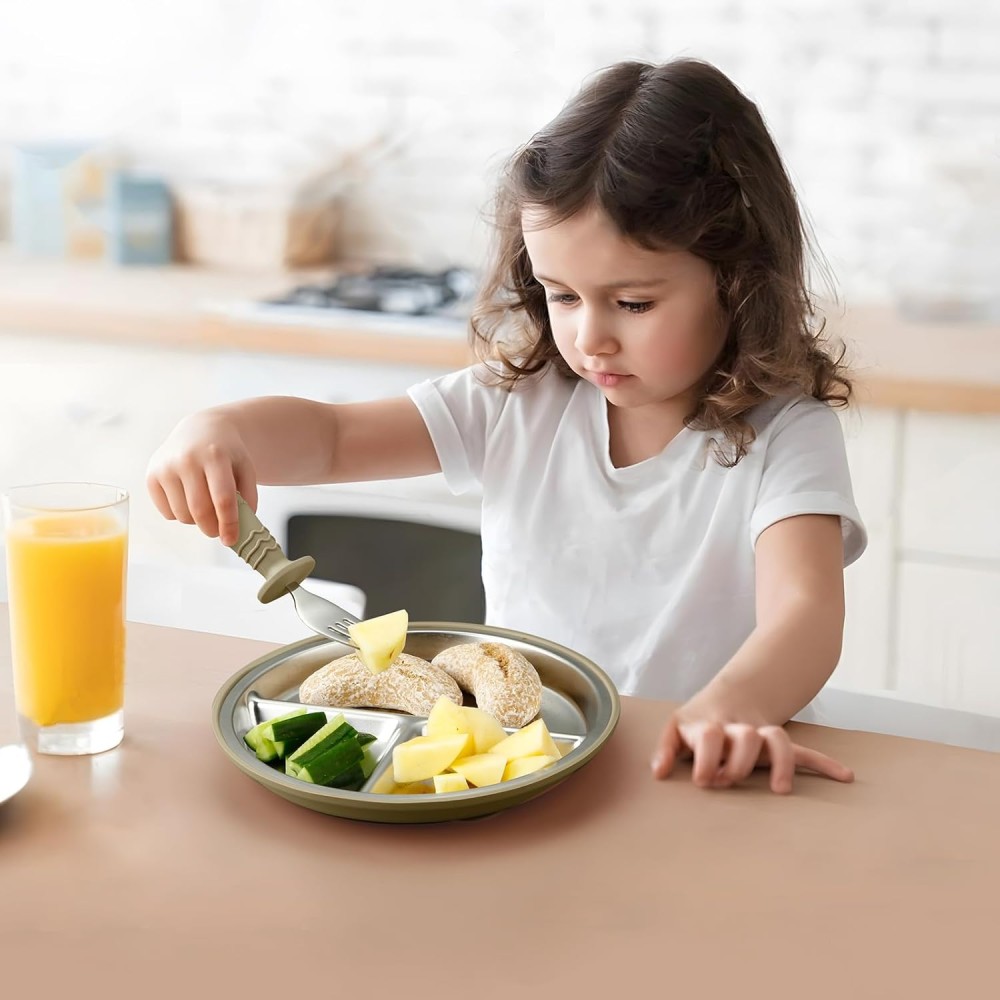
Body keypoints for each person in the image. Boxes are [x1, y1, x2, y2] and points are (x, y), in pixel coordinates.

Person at [147, 58, 866, 794]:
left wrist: (729, 710)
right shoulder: (518, 402)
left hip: (698, 774)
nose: (591, 338)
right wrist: (222, 427)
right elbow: (331, 438)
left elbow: (804, 612)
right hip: (531, 772)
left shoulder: (788, 435)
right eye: (561, 296)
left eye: (635, 304)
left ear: (738, 279)